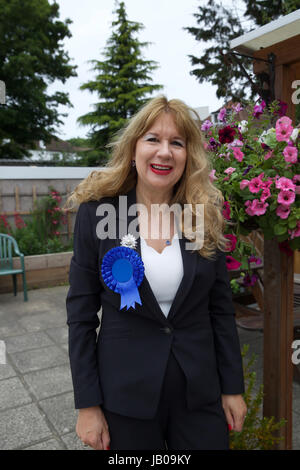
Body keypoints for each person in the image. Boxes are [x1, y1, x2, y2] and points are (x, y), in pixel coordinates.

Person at [66, 95, 247, 451]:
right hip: (126, 398)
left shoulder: (202, 216)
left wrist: (232, 387)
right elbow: (81, 317)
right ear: (134, 149)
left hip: (200, 396)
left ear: (188, 156)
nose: (165, 152)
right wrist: (87, 405)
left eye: (176, 143)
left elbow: (221, 311)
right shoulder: (97, 214)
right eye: (153, 139)